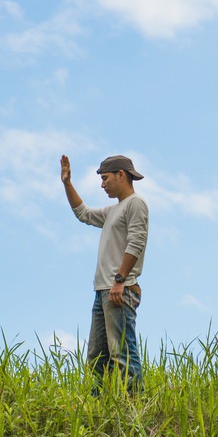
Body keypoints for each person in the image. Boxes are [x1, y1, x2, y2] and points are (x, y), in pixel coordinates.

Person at [60, 154, 149, 393]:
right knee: (97, 358)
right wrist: (68, 184)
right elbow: (84, 214)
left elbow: (136, 242)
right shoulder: (113, 210)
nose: (102, 184)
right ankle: (100, 410)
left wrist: (119, 280)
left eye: (105, 178)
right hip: (103, 292)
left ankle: (135, 408)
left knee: (123, 353)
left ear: (122, 175)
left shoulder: (135, 204)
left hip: (119, 290)